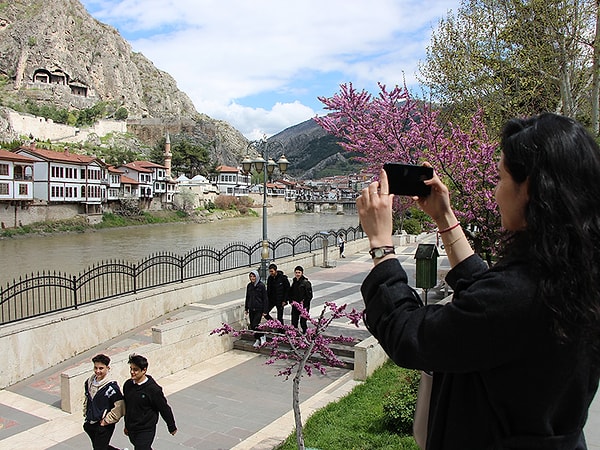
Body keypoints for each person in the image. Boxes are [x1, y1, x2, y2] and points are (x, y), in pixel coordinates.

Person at [357, 113, 600, 449]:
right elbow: (490, 303)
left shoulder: (520, 294)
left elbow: (410, 336)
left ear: (527, 187)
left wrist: (381, 246)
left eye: (499, 178)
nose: (496, 192)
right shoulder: (574, 273)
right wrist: (444, 216)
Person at [123, 353, 177, 450]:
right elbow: (127, 407)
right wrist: (126, 425)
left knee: (141, 448)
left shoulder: (153, 390)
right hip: (132, 428)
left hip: (146, 428)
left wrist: (171, 426)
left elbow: (164, 408)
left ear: (144, 370)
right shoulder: (127, 385)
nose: (132, 372)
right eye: (131, 369)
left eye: (135, 370)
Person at [83, 354, 125, 450]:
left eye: (101, 368)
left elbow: (120, 407)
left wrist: (107, 421)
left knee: (99, 448)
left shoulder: (111, 387)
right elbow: (87, 399)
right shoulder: (89, 382)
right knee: (100, 447)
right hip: (90, 423)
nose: (98, 371)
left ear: (107, 368)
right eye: (95, 368)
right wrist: (86, 413)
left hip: (103, 425)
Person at [245, 269, 268, 347]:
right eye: (251, 276)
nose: (252, 278)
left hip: (259, 308)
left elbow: (265, 298)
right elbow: (247, 297)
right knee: (252, 325)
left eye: (253, 276)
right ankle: (257, 338)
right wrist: (246, 308)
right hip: (252, 308)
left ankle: (262, 336)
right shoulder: (249, 286)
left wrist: (265, 310)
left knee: (256, 324)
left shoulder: (261, 286)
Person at [289, 265, 313, 333]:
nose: (297, 274)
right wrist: (291, 301)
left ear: (302, 273)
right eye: (296, 272)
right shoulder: (294, 282)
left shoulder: (306, 283)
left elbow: (309, 296)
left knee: (303, 322)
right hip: (295, 305)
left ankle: (305, 335)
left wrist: (304, 305)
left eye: (299, 272)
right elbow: (291, 292)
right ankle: (294, 335)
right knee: (294, 322)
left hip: (303, 306)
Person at [265, 263, 290, 329]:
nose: (271, 273)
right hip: (272, 300)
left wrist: (285, 300)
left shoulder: (283, 278)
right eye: (270, 271)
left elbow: (287, 289)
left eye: (272, 271)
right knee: (265, 313)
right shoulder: (270, 278)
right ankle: (274, 324)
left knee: (280, 317)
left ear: (275, 270)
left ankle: (281, 330)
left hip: (280, 300)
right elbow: (268, 290)